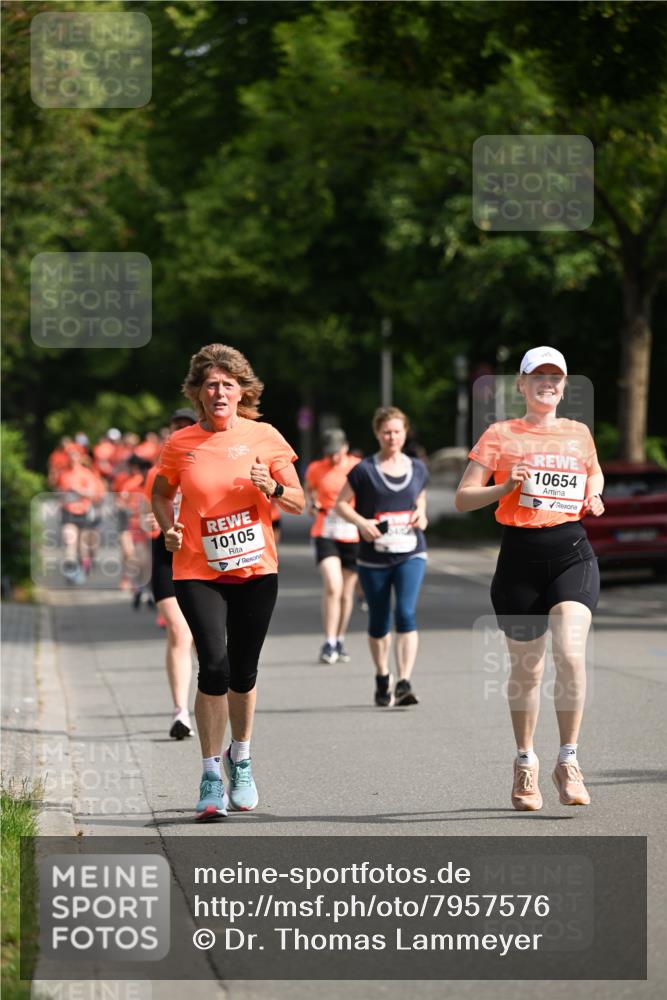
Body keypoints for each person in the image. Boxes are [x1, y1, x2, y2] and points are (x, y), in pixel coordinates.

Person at [152, 344, 304, 820]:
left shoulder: (265, 437)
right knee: (213, 665)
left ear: (243, 391)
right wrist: (168, 528)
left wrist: (273, 487)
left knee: (243, 670)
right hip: (198, 569)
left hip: (256, 570)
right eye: (210, 385)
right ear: (197, 393)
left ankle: (241, 756)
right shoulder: (180, 444)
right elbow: (160, 492)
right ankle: (210, 774)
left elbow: (300, 502)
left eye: (228, 384)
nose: (219, 392)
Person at [455, 346, 605, 810]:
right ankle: (525, 763)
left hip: (572, 554)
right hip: (519, 561)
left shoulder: (578, 433)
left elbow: (593, 474)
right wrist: (505, 486)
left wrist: (594, 496)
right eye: (538, 376)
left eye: (555, 377)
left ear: (564, 385)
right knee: (528, 670)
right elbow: (463, 498)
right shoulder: (500, 435)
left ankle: (569, 759)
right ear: (521, 385)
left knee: (571, 653)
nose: (548, 383)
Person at [336, 407, 429, 707]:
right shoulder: (364, 470)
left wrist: (421, 515)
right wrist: (361, 523)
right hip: (373, 557)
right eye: (386, 432)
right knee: (379, 621)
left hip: (410, 552)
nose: (392, 437)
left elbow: (420, 497)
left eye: (397, 431)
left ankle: (404, 682)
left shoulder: (417, 468)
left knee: (405, 613)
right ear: (378, 434)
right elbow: (340, 504)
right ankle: (382, 675)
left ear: (405, 432)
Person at [144, 408, 198, 740]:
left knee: (204, 638)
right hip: (166, 555)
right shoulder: (157, 473)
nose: (178, 434)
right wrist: (150, 521)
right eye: (174, 429)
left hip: (201, 558)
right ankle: (181, 711)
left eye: (185, 428)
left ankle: (210, 698)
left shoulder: (208, 466)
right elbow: (147, 507)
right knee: (179, 630)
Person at [305, 428, 361, 664]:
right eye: (329, 453)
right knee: (333, 585)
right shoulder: (317, 468)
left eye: (337, 452)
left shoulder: (358, 466)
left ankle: (339, 639)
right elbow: (309, 491)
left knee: (347, 592)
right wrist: (311, 503)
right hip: (325, 530)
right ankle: (328, 641)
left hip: (352, 532)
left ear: (345, 447)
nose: (333, 457)